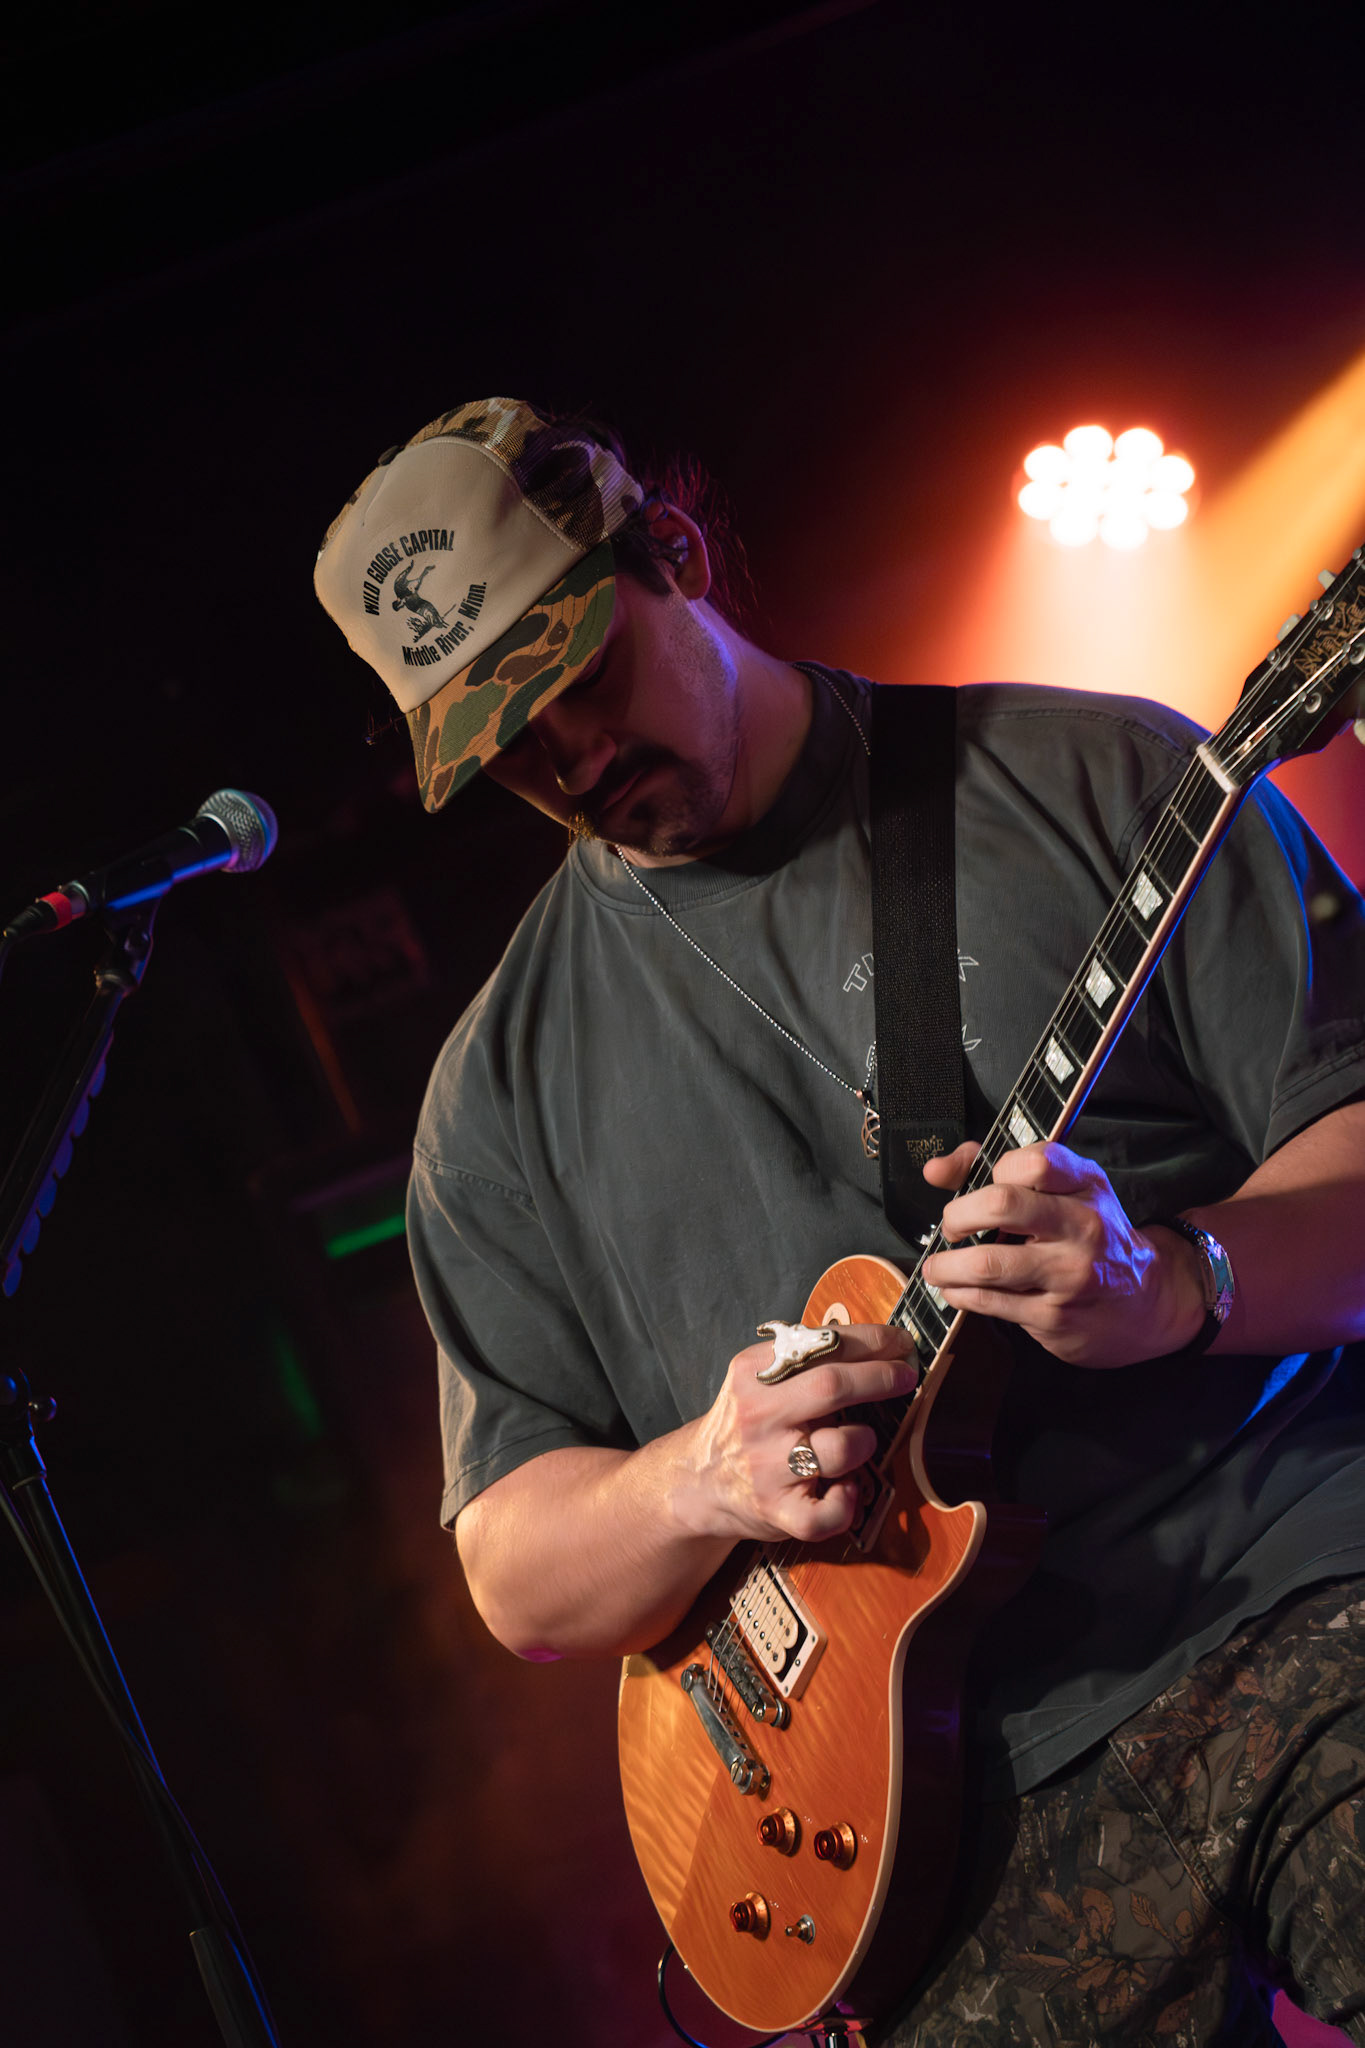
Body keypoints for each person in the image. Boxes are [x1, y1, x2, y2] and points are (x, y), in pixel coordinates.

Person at [314, 397, 1365, 2044]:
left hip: (1295, 1595)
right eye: (510, 743)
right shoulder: (495, 1098)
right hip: (930, 1824)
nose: (572, 758)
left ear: (672, 556)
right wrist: (701, 1476)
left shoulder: (1097, 776)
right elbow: (516, 1573)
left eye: (580, 676)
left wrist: (1176, 1281)